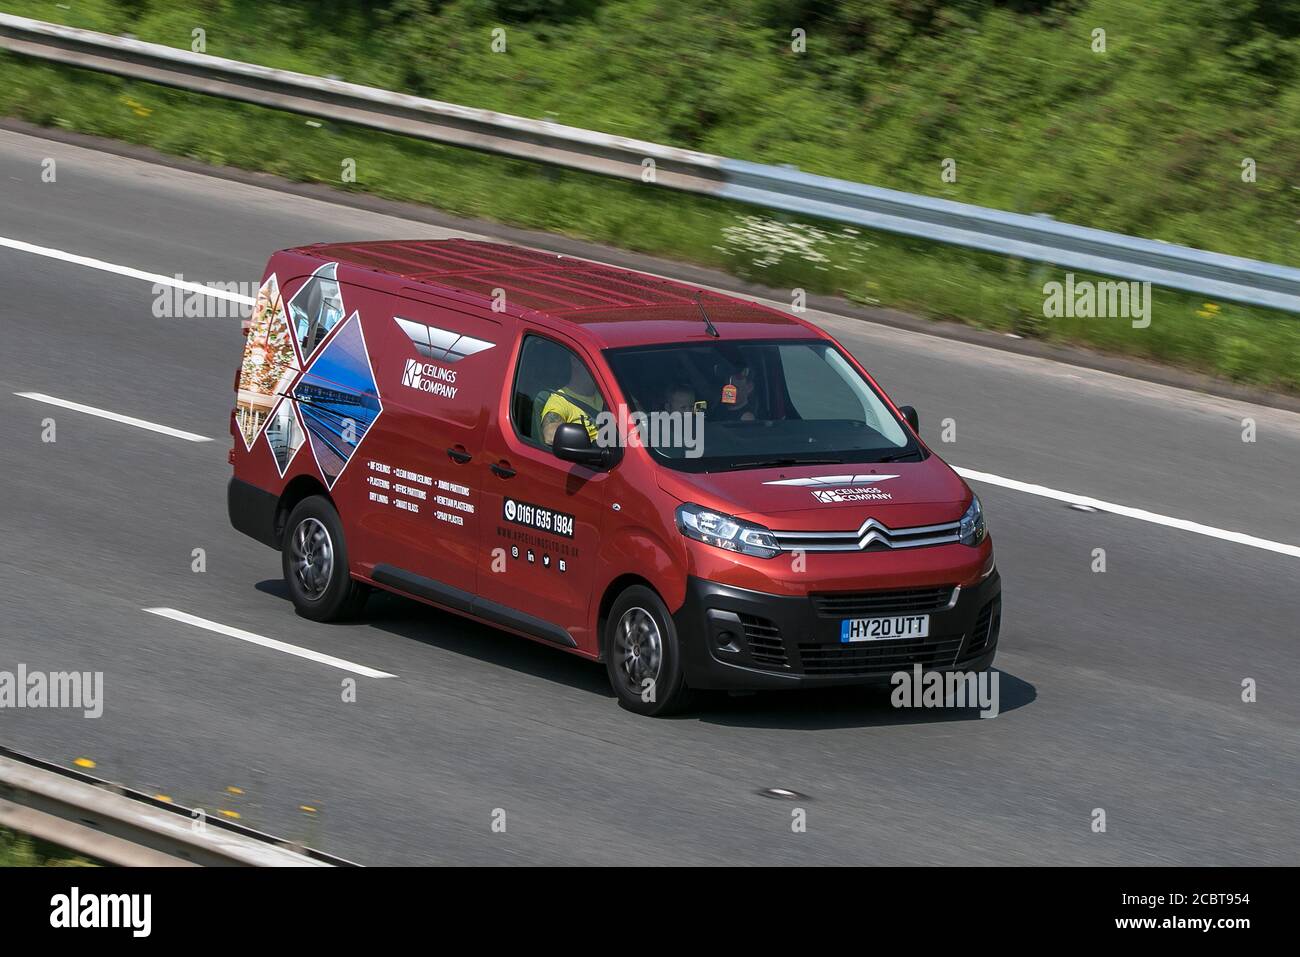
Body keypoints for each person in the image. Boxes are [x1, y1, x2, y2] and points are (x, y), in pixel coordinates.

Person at [540, 352, 604, 445]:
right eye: (594, 360)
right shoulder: (559, 401)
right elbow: (549, 435)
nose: (600, 367)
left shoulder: (608, 394)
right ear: (575, 361)